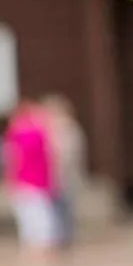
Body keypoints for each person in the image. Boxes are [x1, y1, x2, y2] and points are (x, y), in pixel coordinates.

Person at [4, 101, 60, 265]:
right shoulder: (43, 133)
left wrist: (10, 180)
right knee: (42, 215)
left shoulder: (18, 136)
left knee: (30, 216)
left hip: (25, 180)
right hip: (40, 180)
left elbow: (14, 159)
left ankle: (35, 247)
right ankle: (45, 247)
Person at [43, 94, 88, 251]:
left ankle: (63, 238)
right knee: (59, 208)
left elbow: (67, 154)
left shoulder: (65, 128)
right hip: (56, 177)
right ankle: (61, 237)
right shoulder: (55, 129)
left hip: (63, 176)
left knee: (63, 207)